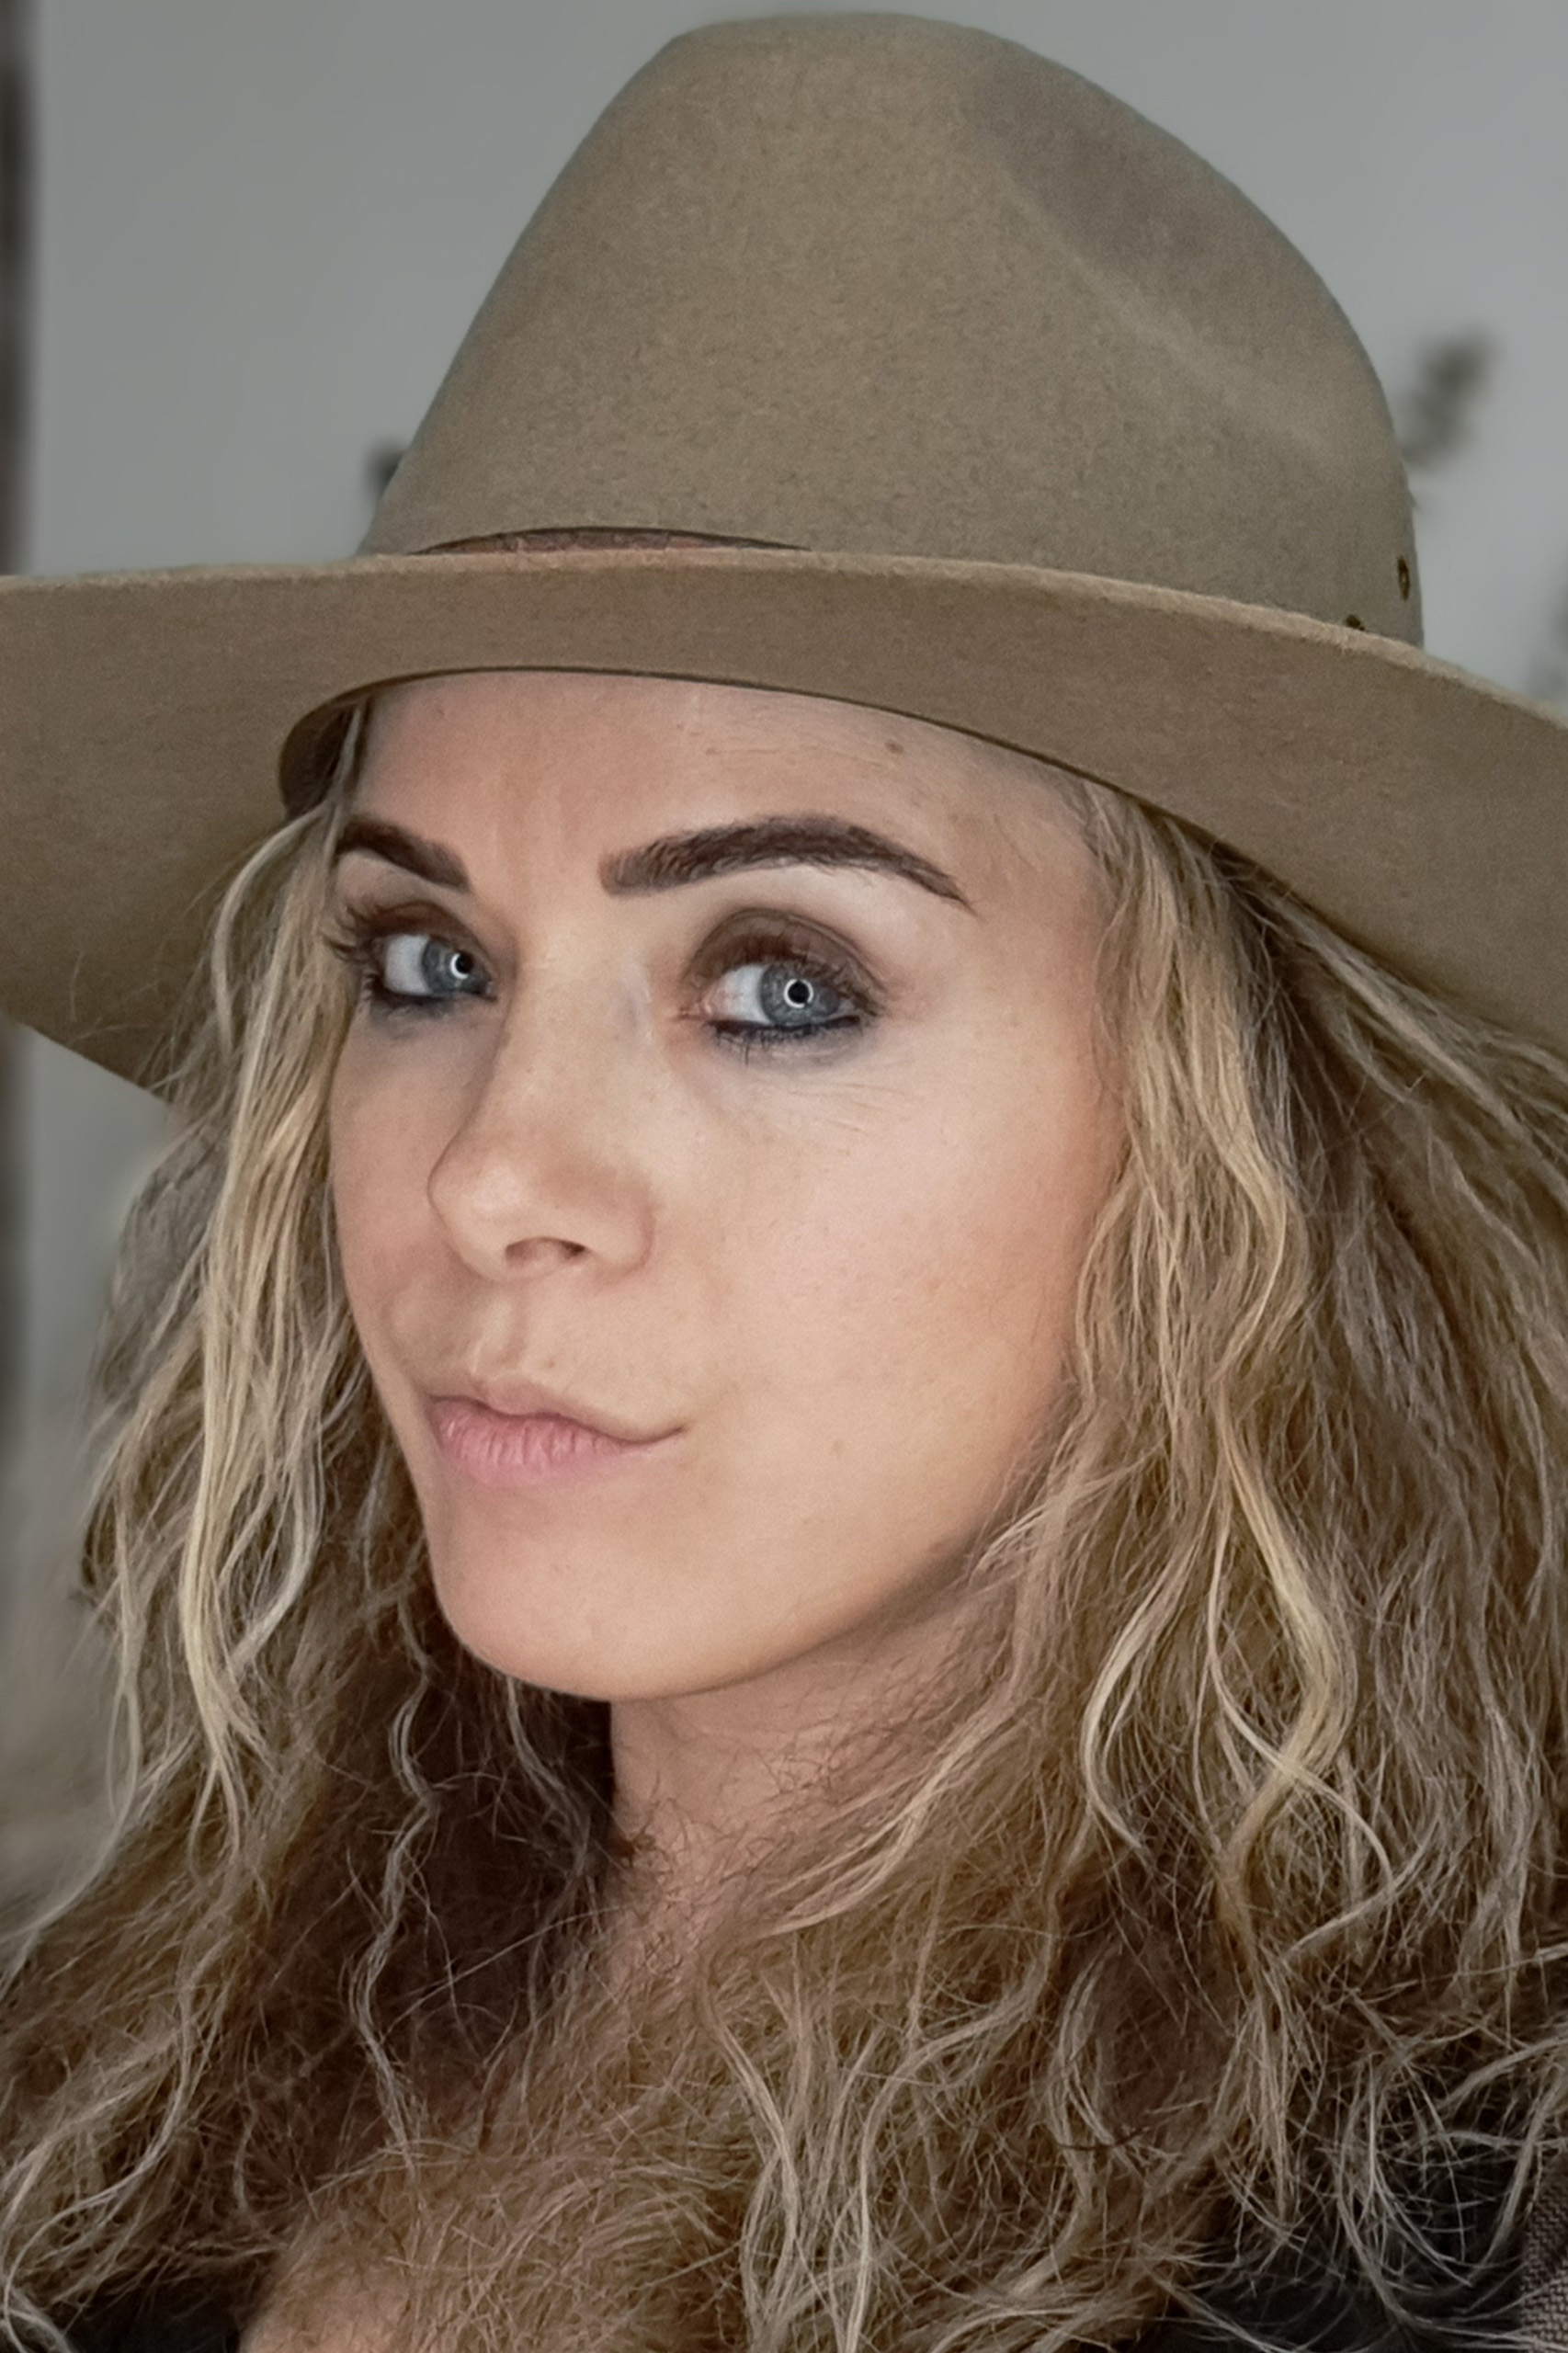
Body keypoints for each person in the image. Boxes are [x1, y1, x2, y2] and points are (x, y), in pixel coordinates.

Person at [1, 12, 1567, 2351]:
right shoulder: (133, 2052)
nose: (495, 1175)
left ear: (1240, 1135)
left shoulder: (1452, 2248)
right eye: (427, 961)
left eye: (781, 985)